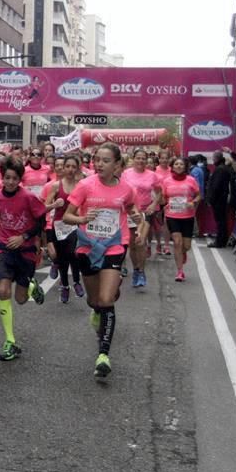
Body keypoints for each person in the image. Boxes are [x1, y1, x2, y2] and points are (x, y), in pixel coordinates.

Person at [64, 143, 147, 378]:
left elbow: (133, 210)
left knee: (106, 299)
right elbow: (68, 216)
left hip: (114, 246)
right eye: (97, 159)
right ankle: (98, 310)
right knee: (94, 301)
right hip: (88, 248)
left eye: (105, 160)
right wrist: (81, 217)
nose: (99, 164)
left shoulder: (127, 189)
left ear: (117, 165)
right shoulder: (85, 186)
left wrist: (138, 224)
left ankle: (103, 354)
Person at [0, 156, 47, 362]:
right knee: (3, 291)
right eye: (7, 178)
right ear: (2, 177)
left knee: (20, 299)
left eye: (14, 178)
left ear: (20, 179)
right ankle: (10, 341)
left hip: (26, 250)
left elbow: (41, 222)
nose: (10, 182)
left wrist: (24, 237)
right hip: (4, 249)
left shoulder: (29, 197)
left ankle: (31, 286)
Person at [42, 155, 84, 303]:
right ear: (63, 168)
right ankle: (65, 286)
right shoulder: (55, 186)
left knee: (74, 253)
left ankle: (77, 282)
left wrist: (81, 213)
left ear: (77, 168)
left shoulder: (81, 185)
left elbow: (86, 205)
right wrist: (54, 205)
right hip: (59, 226)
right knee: (63, 258)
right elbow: (44, 208)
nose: (70, 170)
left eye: (74, 167)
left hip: (75, 224)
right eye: (68, 166)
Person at [121, 148, 161, 288]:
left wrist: (154, 204)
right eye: (138, 158)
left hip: (145, 212)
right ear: (133, 159)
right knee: (132, 244)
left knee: (141, 242)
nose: (141, 161)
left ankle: (142, 272)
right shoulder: (125, 174)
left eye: (143, 158)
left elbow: (159, 192)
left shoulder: (152, 175)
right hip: (131, 212)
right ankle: (136, 270)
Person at [161, 156, 202, 281]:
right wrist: (164, 204)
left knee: (186, 246)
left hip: (187, 216)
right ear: (172, 167)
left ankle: (183, 253)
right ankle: (180, 271)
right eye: (176, 164)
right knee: (177, 243)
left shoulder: (191, 180)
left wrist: (193, 202)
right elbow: (163, 197)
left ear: (185, 167)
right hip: (172, 216)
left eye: (181, 164)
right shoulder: (167, 181)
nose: (179, 166)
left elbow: (199, 195)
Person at [205, 151, 233, 248]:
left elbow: (216, 186)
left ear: (216, 158)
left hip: (219, 200)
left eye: (213, 158)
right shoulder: (224, 168)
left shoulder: (219, 169)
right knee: (222, 221)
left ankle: (220, 241)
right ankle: (222, 240)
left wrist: (210, 199)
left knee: (220, 221)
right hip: (222, 199)